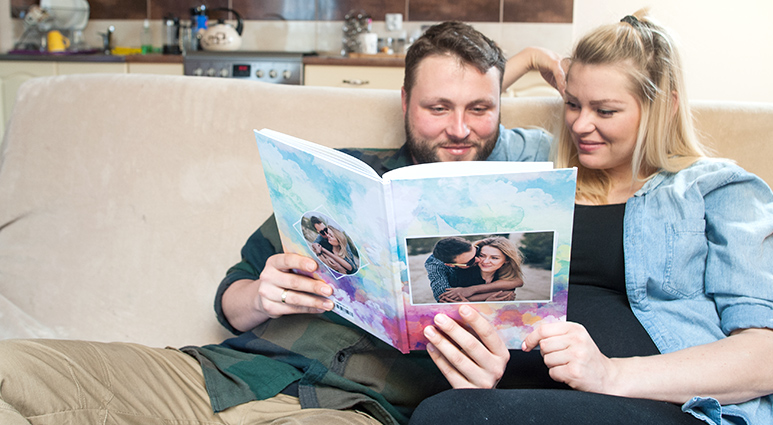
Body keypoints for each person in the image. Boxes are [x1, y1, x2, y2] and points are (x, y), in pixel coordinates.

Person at [0, 21, 568, 425]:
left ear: (501, 110)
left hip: (349, 410)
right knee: (12, 368)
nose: (460, 129)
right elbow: (229, 299)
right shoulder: (336, 178)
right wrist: (261, 294)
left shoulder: (519, 196)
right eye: (437, 108)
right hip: (221, 377)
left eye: (480, 109)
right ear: (404, 103)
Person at [411, 11, 773, 425]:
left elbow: (772, 358)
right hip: (515, 397)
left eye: (606, 110)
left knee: (445, 416)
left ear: (663, 107)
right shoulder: (536, 169)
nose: (581, 124)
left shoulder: (718, 190)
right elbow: (463, 125)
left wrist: (609, 372)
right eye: (573, 104)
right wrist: (525, 60)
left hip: (661, 405)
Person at [439, 236, 524, 303]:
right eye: (482, 255)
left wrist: (472, 291)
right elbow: (446, 302)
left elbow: (512, 289)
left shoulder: (504, 276)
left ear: (507, 260)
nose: (485, 261)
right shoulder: (460, 274)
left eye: (494, 258)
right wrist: (482, 303)